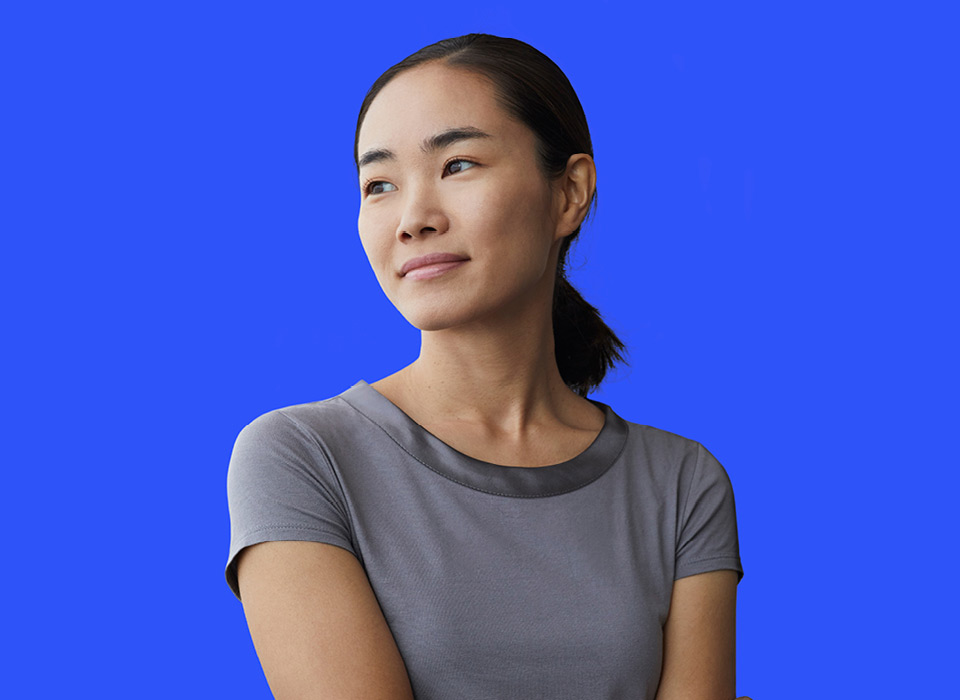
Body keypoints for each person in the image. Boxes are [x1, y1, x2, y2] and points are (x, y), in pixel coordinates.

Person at [225, 33, 749, 700]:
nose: (413, 219)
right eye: (378, 183)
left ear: (570, 193)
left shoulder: (682, 485)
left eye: (458, 165)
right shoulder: (302, 458)